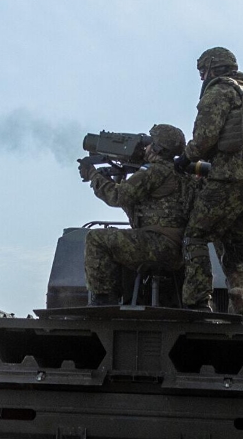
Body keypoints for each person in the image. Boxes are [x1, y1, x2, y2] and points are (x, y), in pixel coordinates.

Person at [178, 47, 243, 323]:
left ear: (212, 68)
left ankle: (198, 305)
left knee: (196, 234)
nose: (202, 77)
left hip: (229, 175)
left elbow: (205, 138)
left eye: (203, 71)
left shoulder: (219, 92)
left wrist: (183, 159)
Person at [79, 124, 196, 306]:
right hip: (179, 250)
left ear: (157, 148)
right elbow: (134, 204)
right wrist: (113, 178)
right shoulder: (182, 174)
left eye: (150, 143)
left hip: (158, 245)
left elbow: (118, 197)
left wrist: (93, 175)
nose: (146, 147)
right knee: (122, 240)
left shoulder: (154, 172)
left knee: (96, 239)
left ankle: (103, 299)